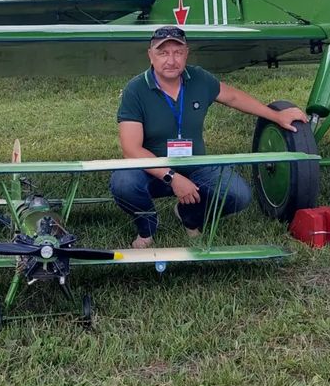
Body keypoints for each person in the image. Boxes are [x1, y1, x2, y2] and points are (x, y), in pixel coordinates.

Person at [110, 26, 309, 247]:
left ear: (187, 53)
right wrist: (172, 177)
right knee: (123, 182)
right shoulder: (135, 89)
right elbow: (131, 149)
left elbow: (233, 97)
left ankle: (190, 216)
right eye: (163, 53)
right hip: (149, 170)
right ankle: (146, 227)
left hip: (195, 165)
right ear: (151, 55)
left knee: (238, 195)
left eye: (177, 52)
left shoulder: (199, 79)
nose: (171, 60)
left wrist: (276, 115)